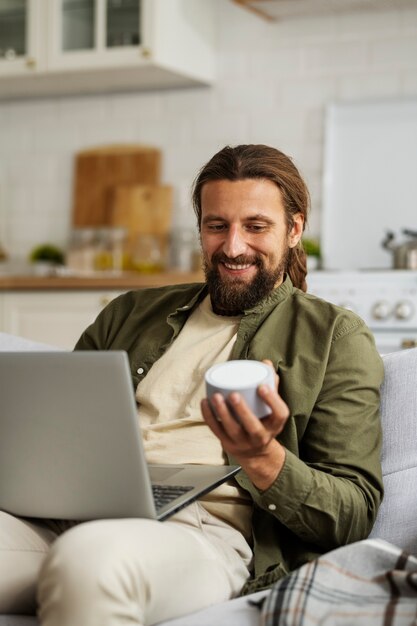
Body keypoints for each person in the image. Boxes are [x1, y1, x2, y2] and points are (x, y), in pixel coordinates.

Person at [0, 144, 384, 626]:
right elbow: (55, 438)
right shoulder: (129, 313)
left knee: (91, 561)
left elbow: (353, 514)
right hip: (67, 516)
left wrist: (263, 457)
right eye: (216, 225)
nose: (233, 246)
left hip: (198, 532)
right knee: (81, 547)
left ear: (295, 229)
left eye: (256, 226)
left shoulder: (333, 336)